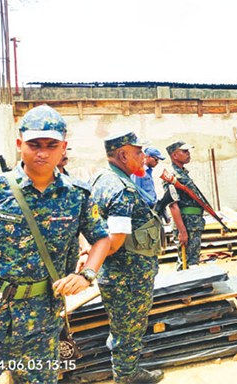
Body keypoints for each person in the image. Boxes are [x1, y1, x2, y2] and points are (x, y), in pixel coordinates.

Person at [0, 105, 110, 383]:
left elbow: (101, 237)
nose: (42, 153)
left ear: (64, 147)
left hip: (40, 321)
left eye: (51, 145)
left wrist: (87, 274)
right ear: (19, 145)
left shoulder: (78, 195)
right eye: (34, 145)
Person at [90, 131, 165, 384]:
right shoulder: (122, 191)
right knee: (129, 330)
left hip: (116, 275)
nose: (143, 157)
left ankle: (126, 371)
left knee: (122, 328)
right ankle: (127, 376)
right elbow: (113, 242)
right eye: (138, 152)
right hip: (129, 277)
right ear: (122, 155)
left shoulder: (101, 179)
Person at [165, 141, 206, 268]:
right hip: (186, 225)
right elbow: (173, 205)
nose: (188, 154)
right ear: (174, 156)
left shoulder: (182, 174)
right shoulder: (172, 176)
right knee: (186, 262)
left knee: (192, 260)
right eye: (184, 151)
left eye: (188, 151)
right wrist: (182, 231)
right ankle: (186, 287)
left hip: (193, 223)